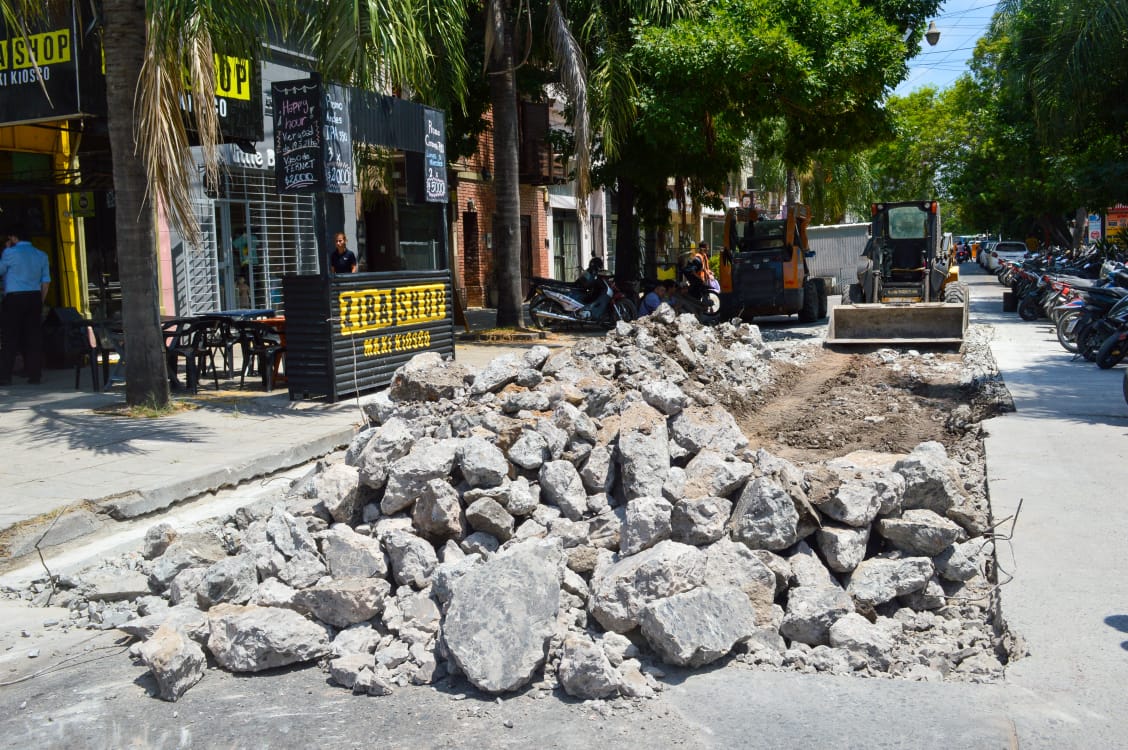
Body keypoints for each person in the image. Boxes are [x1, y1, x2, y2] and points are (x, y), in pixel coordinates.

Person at [0, 225, 51, 385]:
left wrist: (5, 251)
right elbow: (46, 281)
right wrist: (40, 300)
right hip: (34, 297)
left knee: (10, 337)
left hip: (15, 298)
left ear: (14, 238)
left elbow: (0, 270)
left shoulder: (10, 253)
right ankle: (35, 374)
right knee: (33, 337)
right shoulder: (41, 254)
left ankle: (5, 376)